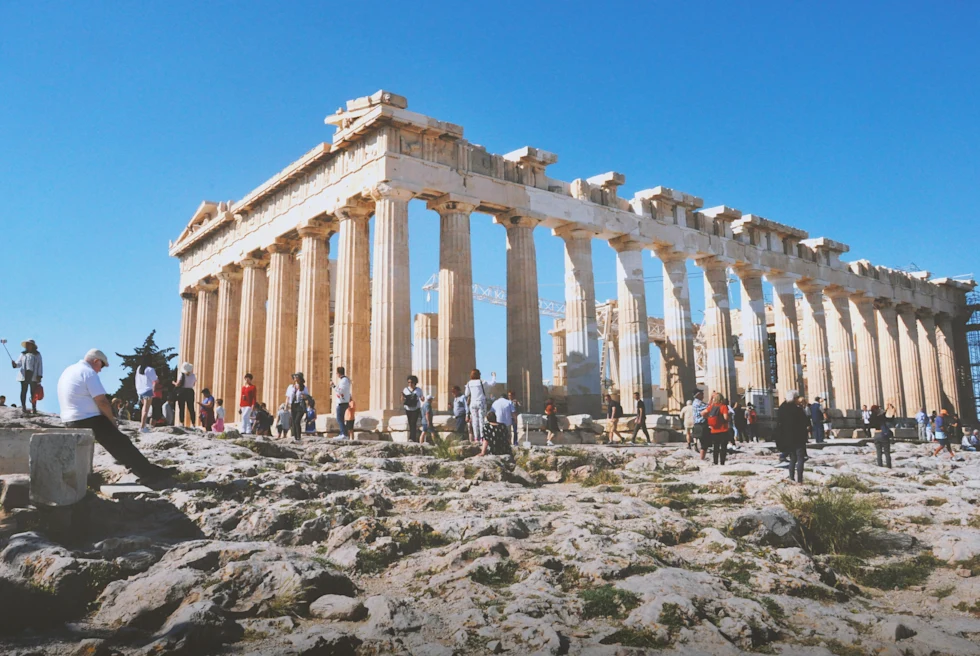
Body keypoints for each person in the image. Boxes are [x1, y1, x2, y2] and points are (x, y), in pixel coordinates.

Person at [57, 349, 173, 482]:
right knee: (121, 442)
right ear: (96, 361)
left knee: (115, 442)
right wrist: (111, 421)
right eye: (101, 366)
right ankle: (148, 473)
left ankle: (141, 469)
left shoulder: (70, 369)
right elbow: (102, 401)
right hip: (86, 418)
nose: (100, 370)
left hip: (68, 419)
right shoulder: (88, 373)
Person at [775, 390, 809, 483]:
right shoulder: (797, 409)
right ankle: (800, 480)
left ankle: (791, 478)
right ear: (795, 399)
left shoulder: (782, 408)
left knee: (792, 458)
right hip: (798, 437)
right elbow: (805, 422)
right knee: (800, 458)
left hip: (787, 438)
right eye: (797, 398)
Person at [11, 339, 43, 415]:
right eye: (27, 345)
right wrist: (14, 364)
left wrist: (39, 375)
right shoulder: (23, 354)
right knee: (23, 391)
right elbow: (18, 363)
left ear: (33, 346)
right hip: (24, 375)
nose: (28, 346)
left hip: (34, 375)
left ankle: (34, 407)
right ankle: (23, 406)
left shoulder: (37, 355)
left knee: (33, 393)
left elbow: (40, 365)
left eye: (29, 344)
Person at [464, 369, 495, 443]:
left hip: (473, 403)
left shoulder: (469, 383)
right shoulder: (482, 382)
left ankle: (476, 438)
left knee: (474, 420)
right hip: (481, 402)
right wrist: (494, 376)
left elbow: (466, 394)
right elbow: (492, 384)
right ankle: (482, 437)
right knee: (481, 420)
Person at [702, 393, 731, 466]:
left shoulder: (711, 407)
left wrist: (708, 417)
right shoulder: (723, 407)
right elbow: (725, 418)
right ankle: (722, 462)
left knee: (716, 446)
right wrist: (729, 417)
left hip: (714, 430)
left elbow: (702, 413)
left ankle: (715, 461)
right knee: (723, 446)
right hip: (723, 429)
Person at [134, 353, 158, 433]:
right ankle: (142, 427)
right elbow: (155, 380)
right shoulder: (150, 369)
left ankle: (142, 425)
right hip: (147, 390)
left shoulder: (139, 368)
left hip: (140, 390)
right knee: (146, 409)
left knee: (143, 409)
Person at [287, 373, 312, 442]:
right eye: (294, 376)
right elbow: (288, 397)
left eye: (296, 376)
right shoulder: (291, 387)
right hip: (293, 405)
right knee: (294, 422)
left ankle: (298, 437)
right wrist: (287, 405)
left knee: (297, 421)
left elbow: (308, 397)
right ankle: (295, 437)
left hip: (300, 405)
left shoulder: (304, 388)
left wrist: (304, 396)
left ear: (300, 378)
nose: (295, 377)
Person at [869, 403, 895, 468]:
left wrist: (886, 408)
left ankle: (880, 466)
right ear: (876, 410)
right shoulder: (880, 417)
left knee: (879, 452)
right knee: (886, 452)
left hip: (876, 434)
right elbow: (890, 419)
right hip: (882, 434)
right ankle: (888, 466)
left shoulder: (871, 418)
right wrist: (893, 412)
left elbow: (881, 414)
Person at [175, 363, 197, 427]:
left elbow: (178, 384)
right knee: (191, 408)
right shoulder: (193, 375)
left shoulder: (181, 374)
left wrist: (174, 383)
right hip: (190, 391)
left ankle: (182, 422)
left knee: (181, 407)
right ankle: (193, 423)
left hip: (182, 391)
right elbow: (193, 384)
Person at [333, 367, 352, 439]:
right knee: (340, 418)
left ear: (339, 373)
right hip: (342, 401)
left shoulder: (344, 380)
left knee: (339, 418)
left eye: (337, 373)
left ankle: (344, 434)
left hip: (342, 402)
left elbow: (340, 391)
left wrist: (333, 386)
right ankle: (342, 433)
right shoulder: (343, 380)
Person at [691, 389, 709, 460]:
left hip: (699, 424)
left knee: (704, 442)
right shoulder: (698, 403)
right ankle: (702, 458)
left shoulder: (697, 402)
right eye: (702, 394)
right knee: (704, 443)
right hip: (701, 424)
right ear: (698, 395)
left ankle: (702, 457)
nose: (703, 395)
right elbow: (708, 408)